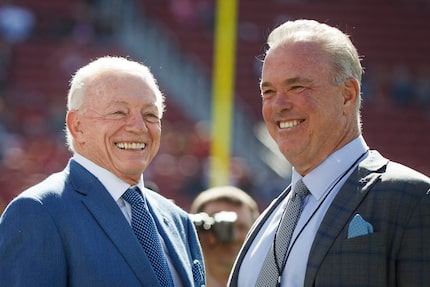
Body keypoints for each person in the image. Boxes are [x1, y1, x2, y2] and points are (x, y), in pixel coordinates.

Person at [228, 19, 430, 287]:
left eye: (296, 87)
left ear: (347, 95)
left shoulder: (412, 199)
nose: (279, 104)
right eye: (268, 91)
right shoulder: (269, 221)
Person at [0, 56, 206, 287]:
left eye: (150, 115)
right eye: (119, 112)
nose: (139, 127)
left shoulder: (178, 221)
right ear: (77, 126)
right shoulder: (39, 212)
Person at [190, 186, 259, 287]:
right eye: (221, 226)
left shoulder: (270, 279)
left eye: (241, 227)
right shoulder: (175, 280)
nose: (233, 236)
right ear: (196, 228)